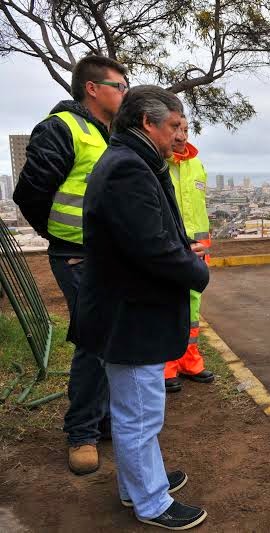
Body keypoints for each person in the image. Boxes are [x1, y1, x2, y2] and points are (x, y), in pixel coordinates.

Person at [72, 85, 209, 530]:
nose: (178, 136)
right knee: (138, 413)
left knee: (138, 411)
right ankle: (151, 501)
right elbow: (153, 246)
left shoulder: (132, 161)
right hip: (129, 316)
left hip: (127, 312)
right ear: (147, 124)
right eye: (172, 127)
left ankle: (139, 482)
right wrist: (196, 272)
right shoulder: (128, 169)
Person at [13, 55, 128, 475]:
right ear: (93, 88)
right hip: (78, 255)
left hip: (108, 255)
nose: (125, 92)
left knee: (111, 337)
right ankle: (82, 432)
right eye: (119, 85)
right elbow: (30, 192)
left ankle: (104, 419)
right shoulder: (63, 128)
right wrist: (61, 237)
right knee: (94, 341)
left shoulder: (108, 134)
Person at [163, 116, 214, 393]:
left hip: (197, 251)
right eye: (175, 129)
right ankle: (167, 365)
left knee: (193, 308)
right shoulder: (157, 164)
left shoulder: (197, 165)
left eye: (185, 129)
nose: (181, 135)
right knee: (167, 305)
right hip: (169, 249)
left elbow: (200, 210)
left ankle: (189, 360)